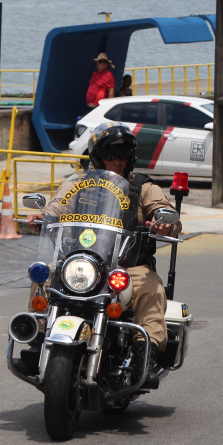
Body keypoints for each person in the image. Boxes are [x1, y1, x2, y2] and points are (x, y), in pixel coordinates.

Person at [26, 123, 181, 387]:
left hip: (127, 266)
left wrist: (164, 221)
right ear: (97, 157)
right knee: (44, 273)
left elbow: (163, 209)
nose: (118, 161)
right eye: (111, 155)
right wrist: (44, 216)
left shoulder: (143, 187)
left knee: (152, 288)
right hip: (83, 262)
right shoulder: (78, 184)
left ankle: (147, 354)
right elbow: (58, 205)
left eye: (123, 155)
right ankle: (38, 340)